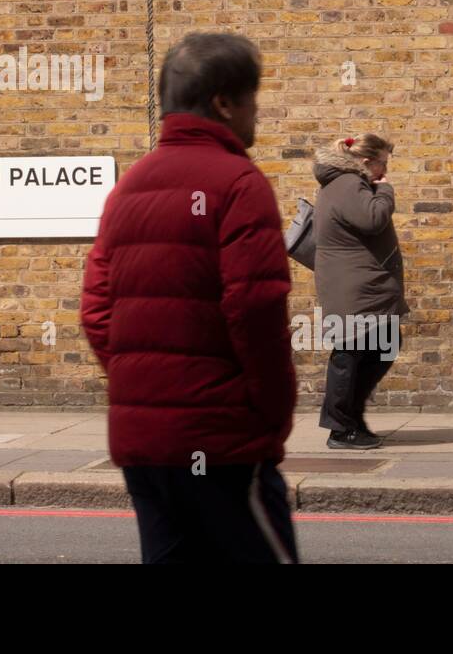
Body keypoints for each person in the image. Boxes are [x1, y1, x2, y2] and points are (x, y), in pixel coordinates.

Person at [81, 32, 298, 564]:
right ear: (224, 102)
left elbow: (95, 312)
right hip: (222, 439)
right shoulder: (239, 184)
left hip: (144, 445)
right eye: (253, 100)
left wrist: (145, 386)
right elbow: (255, 310)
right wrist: (271, 411)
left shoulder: (127, 188)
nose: (257, 116)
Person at [312, 134, 406, 450]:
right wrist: (386, 189)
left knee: (382, 346)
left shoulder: (343, 184)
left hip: (359, 287)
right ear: (367, 163)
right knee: (349, 356)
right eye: (383, 163)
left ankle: (350, 417)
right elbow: (373, 218)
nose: (385, 170)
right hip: (354, 289)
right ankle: (341, 428)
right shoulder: (349, 185)